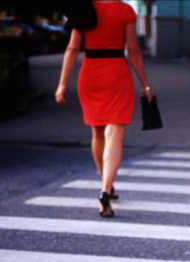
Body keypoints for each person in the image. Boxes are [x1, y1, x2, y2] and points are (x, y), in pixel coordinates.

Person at [55, 0, 154, 218]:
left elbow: (72, 48)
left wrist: (62, 84)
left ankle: (107, 187)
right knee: (115, 134)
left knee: (98, 133)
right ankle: (105, 190)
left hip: (90, 75)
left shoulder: (83, 7)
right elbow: (134, 50)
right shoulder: (125, 11)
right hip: (117, 74)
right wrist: (145, 84)